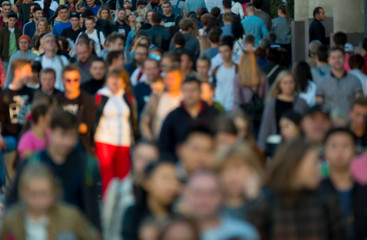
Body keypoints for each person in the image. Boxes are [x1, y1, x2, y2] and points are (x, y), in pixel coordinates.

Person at [6, 109, 101, 229]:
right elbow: (13, 202)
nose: (68, 142)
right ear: (50, 132)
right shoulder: (32, 162)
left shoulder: (86, 165)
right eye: (62, 134)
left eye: (72, 135)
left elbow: (93, 211)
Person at [248, 138, 347, 239]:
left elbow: (340, 235)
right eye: (313, 163)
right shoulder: (267, 202)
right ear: (295, 165)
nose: (318, 169)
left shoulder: (326, 199)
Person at [1, 163, 101, 240]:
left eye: (44, 193)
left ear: (53, 193)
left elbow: (94, 237)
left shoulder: (71, 217)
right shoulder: (12, 219)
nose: (38, 200)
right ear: (23, 193)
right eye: (33, 194)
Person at [94, 69, 138, 196]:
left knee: (124, 178)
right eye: (112, 78)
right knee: (108, 178)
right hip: (104, 140)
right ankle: (108, 207)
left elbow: (133, 120)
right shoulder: (101, 95)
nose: (115, 81)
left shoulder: (128, 97)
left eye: (118, 79)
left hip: (124, 141)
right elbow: (94, 118)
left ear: (124, 82)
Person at [182, 170, 259, 240]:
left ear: (223, 195)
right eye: (197, 193)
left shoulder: (244, 232)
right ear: (186, 194)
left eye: (212, 193)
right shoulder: (173, 232)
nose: (204, 199)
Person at [321, 128, 367, 239]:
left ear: (355, 151)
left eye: (345, 145)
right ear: (325, 152)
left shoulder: (364, 192)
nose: (339, 151)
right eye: (334, 146)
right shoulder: (315, 192)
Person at [159, 77, 219, 159]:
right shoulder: (173, 117)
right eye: (186, 90)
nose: (190, 94)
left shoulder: (214, 114)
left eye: (193, 90)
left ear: (200, 91)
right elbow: (164, 144)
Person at [122, 161, 180, 240]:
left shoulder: (179, 217)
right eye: (165, 178)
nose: (172, 184)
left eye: (176, 179)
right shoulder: (134, 214)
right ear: (147, 182)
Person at [258, 71, 308, 150]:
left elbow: (306, 124)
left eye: (291, 82)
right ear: (279, 84)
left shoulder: (302, 102)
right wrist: (261, 146)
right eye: (285, 83)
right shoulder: (272, 103)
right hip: (276, 143)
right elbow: (266, 125)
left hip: (297, 143)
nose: (288, 86)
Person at [214, 143, 264, 220]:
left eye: (237, 167)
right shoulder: (211, 207)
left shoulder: (267, 203)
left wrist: (254, 199)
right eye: (224, 169)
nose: (232, 176)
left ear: (252, 170)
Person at [56, 64, 96, 154]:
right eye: (68, 80)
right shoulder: (56, 100)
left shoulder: (88, 99)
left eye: (75, 80)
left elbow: (87, 126)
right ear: (62, 80)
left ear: (80, 79)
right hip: (60, 146)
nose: (72, 83)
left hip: (82, 146)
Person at [316, 48, 363, 116]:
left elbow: (360, 103)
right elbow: (319, 106)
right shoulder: (322, 81)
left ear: (345, 59)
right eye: (333, 58)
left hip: (350, 122)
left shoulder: (355, 80)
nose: (337, 60)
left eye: (339, 57)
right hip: (330, 123)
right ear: (328, 60)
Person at [140, 69, 183, 141]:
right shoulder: (156, 97)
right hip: (158, 142)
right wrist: (149, 140)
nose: (169, 82)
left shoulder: (185, 99)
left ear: (180, 80)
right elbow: (144, 121)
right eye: (167, 78)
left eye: (173, 78)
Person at [233, 50, 267, 134]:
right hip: (260, 115)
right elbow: (267, 97)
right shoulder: (262, 77)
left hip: (244, 115)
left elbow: (237, 100)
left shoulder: (238, 78)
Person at [0, 59, 34, 138]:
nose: (31, 74)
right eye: (27, 72)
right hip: (9, 139)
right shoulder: (4, 95)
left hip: (29, 140)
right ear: (17, 72)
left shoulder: (33, 93)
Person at [212, 38, 238, 112]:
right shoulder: (216, 69)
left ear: (231, 52)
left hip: (234, 107)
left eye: (226, 51)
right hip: (220, 106)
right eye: (221, 52)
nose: (223, 54)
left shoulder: (238, 69)